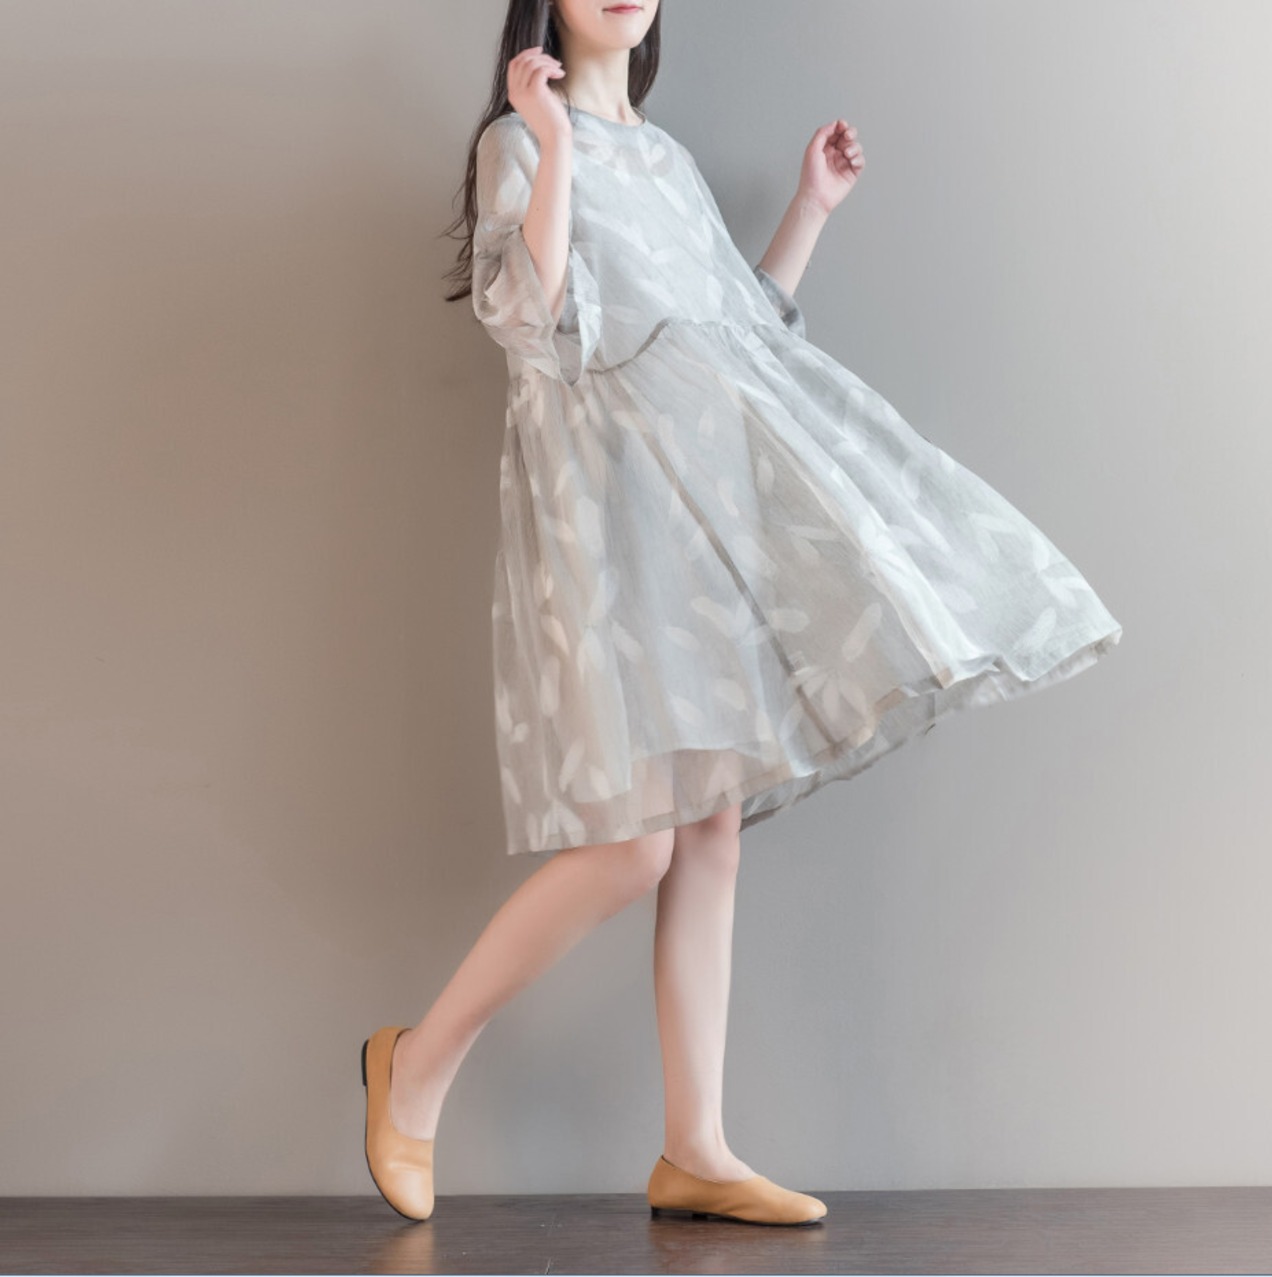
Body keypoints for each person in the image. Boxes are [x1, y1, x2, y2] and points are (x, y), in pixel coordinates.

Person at [363, 0, 1122, 1227]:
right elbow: (529, 319)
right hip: (609, 522)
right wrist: (549, 142)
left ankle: (695, 1147)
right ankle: (415, 1062)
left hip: (702, 510)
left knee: (710, 825)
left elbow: (732, 335)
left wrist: (808, 212)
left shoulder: (664, 160)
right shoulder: (518, 140)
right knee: (634, 843)